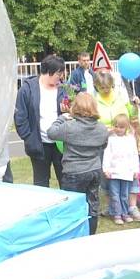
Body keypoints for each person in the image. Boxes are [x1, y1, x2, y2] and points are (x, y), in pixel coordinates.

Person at [47, 93, 109, 234]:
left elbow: (51, 133)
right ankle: (90, 234)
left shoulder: (69, 127)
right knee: (92, 205)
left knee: (73, 206)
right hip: (94, 169)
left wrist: (61, 118)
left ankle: (74, 235)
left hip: (74, 171)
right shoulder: (102, 128)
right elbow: (103, 146)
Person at [93, 70, 140, 220]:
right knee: (109, 176)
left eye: (108, 87)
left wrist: (135, 107)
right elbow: (93, 120)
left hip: (125, 139)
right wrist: (105, 129)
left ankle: (132, 207)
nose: (105, 90)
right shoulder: (94, 100)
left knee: (131, 173)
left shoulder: (120, 96)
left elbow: (131, 114)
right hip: (106, 142)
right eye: (102, 88)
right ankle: (114, 207)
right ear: (96, 86)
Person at [14, 55, 66, 187]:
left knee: (66, 181)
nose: (61, 77)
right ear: (50, 72)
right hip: (39, 144)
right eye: (59, 74)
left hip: (61, 144)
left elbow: (74, 112)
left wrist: (68, 111)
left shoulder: (64, 89)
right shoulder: (27, 89)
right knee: (41, 184)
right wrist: (29, 138)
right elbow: (20, 117)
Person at [102, 114, 140, 226]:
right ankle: (117, 214)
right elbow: (107, 155)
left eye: (121, 127)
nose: (118, 129)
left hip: (127, 172)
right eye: (116, 126)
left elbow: (134, 155)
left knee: (124, 194)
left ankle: (125, 213)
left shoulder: (130, 140)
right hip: (114, 172)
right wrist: (106, 169)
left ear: (127, 127)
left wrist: (135, 170)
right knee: (114, 194)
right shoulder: (111, 139)